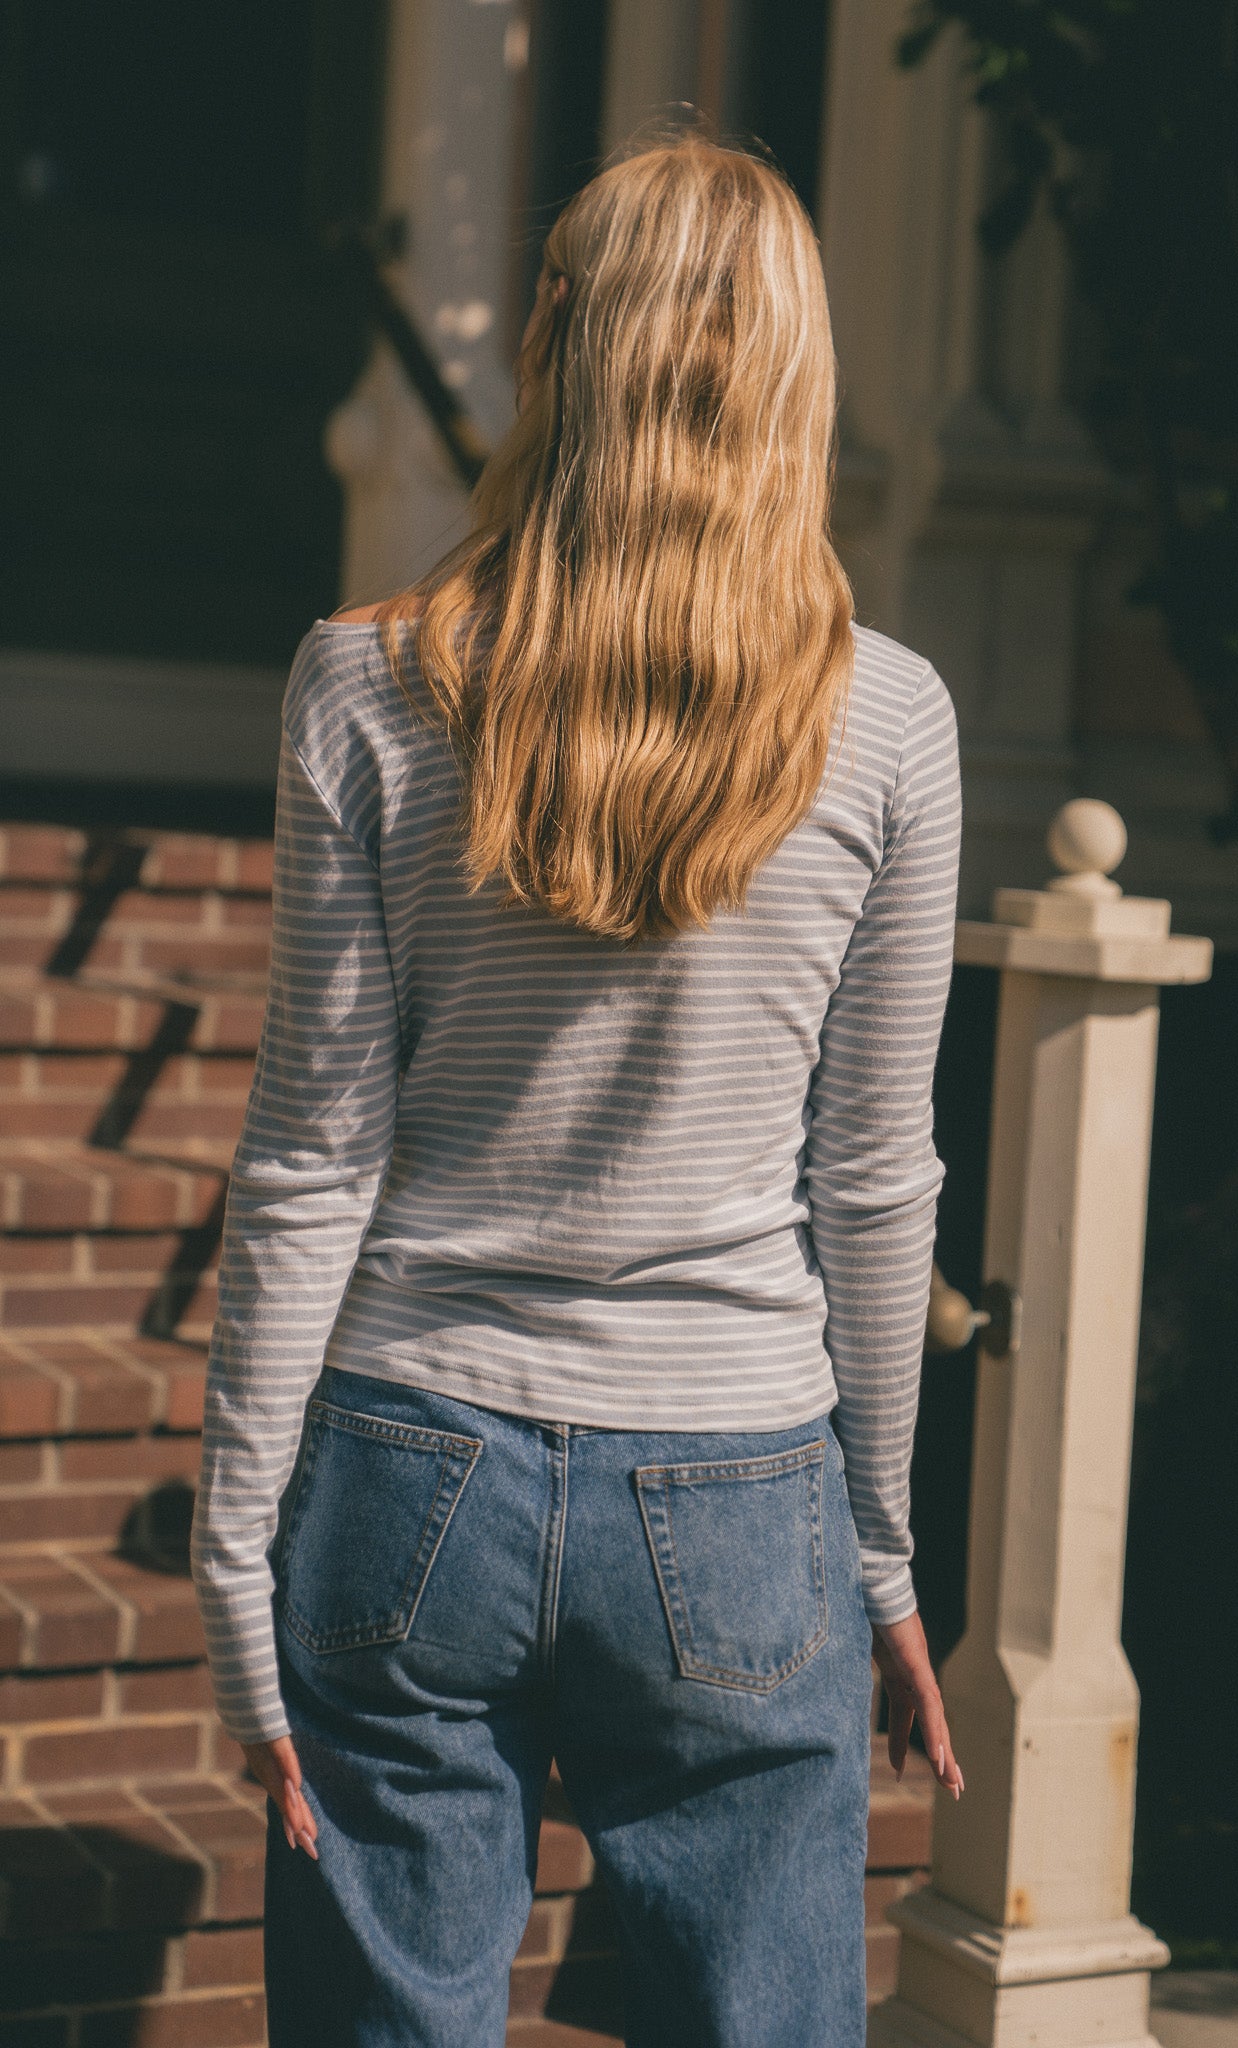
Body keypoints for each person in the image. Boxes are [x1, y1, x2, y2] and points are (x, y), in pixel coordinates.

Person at [190, 134, 964, 2048]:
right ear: (793, 371)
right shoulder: (889, 718)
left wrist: (234, 1537)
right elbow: (876, 1179)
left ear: (556, 339)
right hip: (739, 1479)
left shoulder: (362, 681)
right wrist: (880, 1556)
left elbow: (311, 1154)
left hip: (404, 1457)